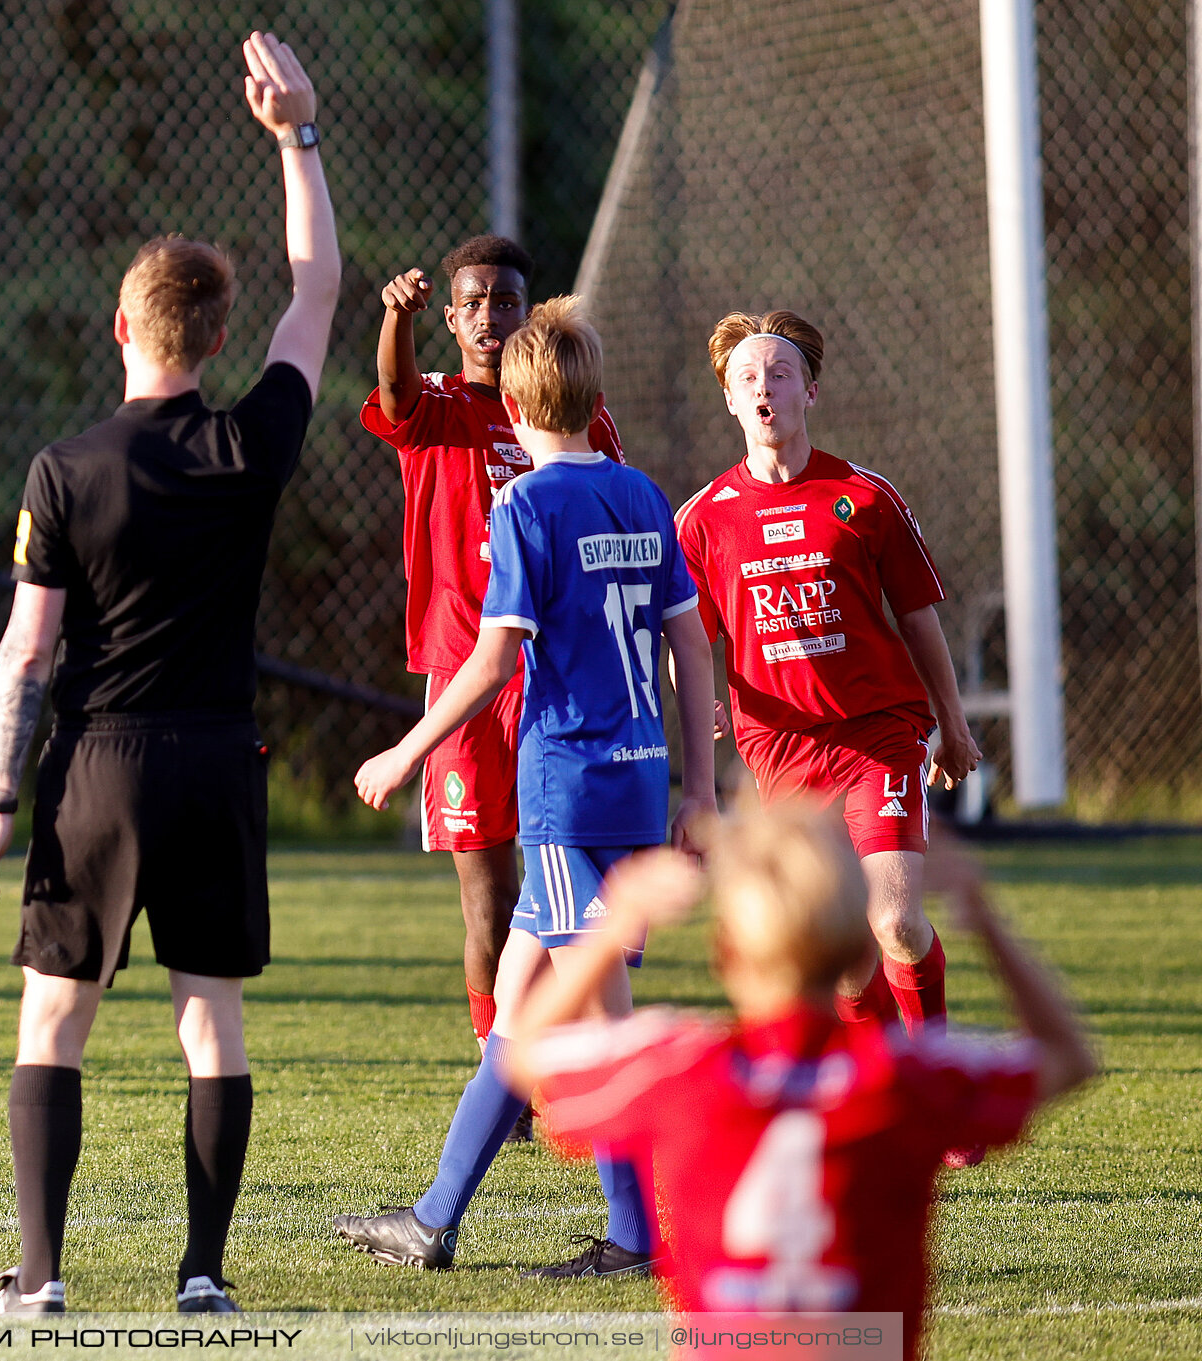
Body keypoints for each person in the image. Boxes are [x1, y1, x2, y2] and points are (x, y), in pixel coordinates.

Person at [0, 32, 339, 1318]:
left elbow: (28, 649)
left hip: (101, 763)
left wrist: (2, 800)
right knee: (208, 1015)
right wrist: (298, 137)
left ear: (122, 326)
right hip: (219, 759)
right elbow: (322, 291)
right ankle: (203, 1272)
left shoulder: (65, 470)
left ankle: (45, 1276)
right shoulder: (248, 440)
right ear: (220, 333)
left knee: (52, 1021)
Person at [331, 297, 716, 1280]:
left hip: (567, 792)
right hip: (636, 781)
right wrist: (703, 784)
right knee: (517, 1009)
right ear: (590, 393)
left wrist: (408, 748)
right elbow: (686, 638)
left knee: (598, 1021)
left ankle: (636, 1234)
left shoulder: (528, 506)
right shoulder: (637, 491)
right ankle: (432, 1218)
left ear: (510, 400)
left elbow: (494, 657)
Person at [504, 805, 1095, 1361]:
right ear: (862, 947)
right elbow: (1067, 1057)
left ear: (726, 953)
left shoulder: (678, 1070)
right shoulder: (903, 1080)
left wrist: (612, 925)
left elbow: (523, 1053)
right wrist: (982, 914)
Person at [674, 312, 982, 1086]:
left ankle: (932, 1069)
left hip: (877, 733)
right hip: (779, 751)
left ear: (809, 390)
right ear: (731, 403)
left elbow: (917, 618)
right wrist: (704, 701)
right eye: (748, 377)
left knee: (898, 924)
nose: (764, 386)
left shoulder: (863, 496)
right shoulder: (705, 519)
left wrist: (952, 725)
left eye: (779, 372)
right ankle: (888, 1090)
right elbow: (689, 643)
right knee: (841, 954)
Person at [363, 238, 626, 1070]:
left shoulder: (572, 416)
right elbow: (394, 390)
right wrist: (392, 318)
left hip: (560, 673)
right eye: (472, 303)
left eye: (504, 301)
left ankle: (578, 1059)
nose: (488, 316)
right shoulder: (435, 404)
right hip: (465, 675)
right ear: (450, 317)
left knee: (578, 886)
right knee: (491, 896)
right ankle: (500, 1071)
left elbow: (617, 527)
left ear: (527, 310)